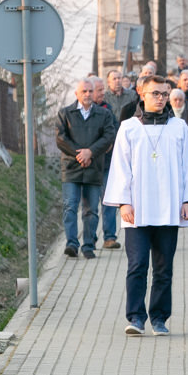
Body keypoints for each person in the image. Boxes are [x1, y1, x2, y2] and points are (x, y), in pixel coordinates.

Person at [104, 75, 188, 335]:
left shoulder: (179, 127)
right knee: (137, 265)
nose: (161, 98)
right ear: (142, 94)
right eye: (155, 93)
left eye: (164, 94)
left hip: (169, 208)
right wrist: (123, 203)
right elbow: (120, 167)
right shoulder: (129, 127)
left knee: (164, 268)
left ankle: (160, 318)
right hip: (137, 210)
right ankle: (136, 318)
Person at [56, 80, 116, 259]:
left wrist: (91, 152)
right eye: (84, 91)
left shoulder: (104, 114)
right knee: (70, 206)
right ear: (77, 93)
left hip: (94, 166)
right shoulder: (65, 113)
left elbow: (109, 135)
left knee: (91, 210)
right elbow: (60, 138)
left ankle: (88, 245)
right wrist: (79, 155)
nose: (88, 94)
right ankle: (72, 244)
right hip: (71, 167)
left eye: (91, 91)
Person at [90, 77, 122, 250]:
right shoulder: (81, 111)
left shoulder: (107, 109)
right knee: (91, 204)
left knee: (108, 201)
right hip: (89, 165)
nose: (103, 93)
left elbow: (115, 131)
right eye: (99, 90)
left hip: (107, 164)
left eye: (103, 90)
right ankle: (91, 238)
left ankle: (109, 237)